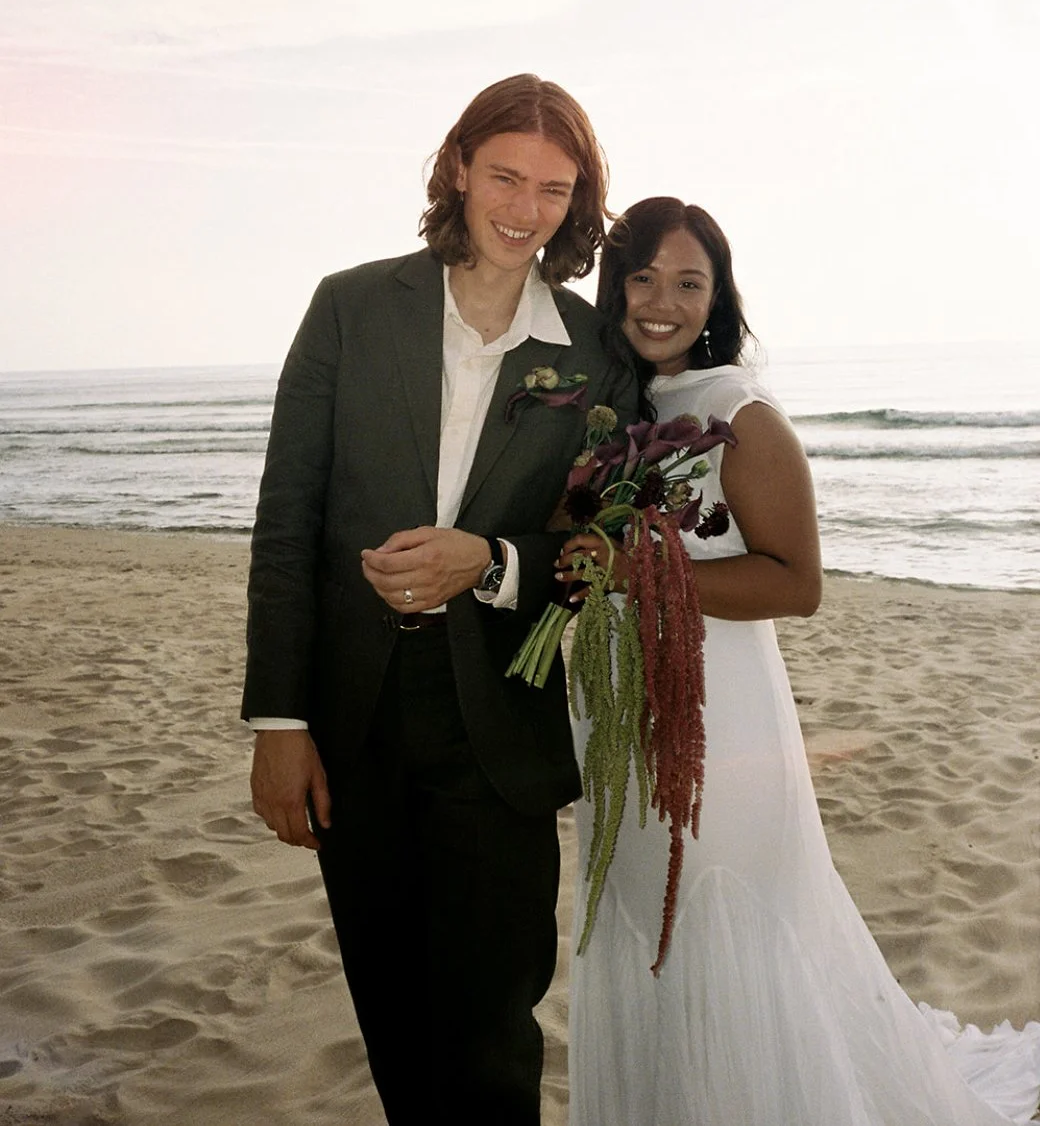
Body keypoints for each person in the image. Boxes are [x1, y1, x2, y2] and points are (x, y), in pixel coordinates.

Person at [557, 197, 1040, 1125]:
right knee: (635, 922)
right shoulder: (608, 414)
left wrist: (637, 571)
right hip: (616, 709)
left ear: (718, 297)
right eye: (644, 278)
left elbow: (796, 583)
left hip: (719, 719)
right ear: (614, 286)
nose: (664, 301)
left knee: (719, 922)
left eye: (689, 282)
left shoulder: (742, 414)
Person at [241, 75, 636, 1126]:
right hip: (353, 713)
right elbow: (288, 519)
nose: (523, 208)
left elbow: (606, 545)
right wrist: (280, 722)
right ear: (457, 167)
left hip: (498, 721)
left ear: (578, 199)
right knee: (392, 1011)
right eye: (505, 175)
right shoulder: (349, 305)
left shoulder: (595, 351)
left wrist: (493, 559)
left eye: (554, 188)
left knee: (489, 1028)